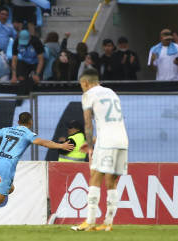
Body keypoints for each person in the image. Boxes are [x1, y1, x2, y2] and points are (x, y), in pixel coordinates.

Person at [0, 112, 74, 225]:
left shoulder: (8, 129)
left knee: (10, 188)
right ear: (31, 122)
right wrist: (61, 145)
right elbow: (42, 142)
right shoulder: (28, 134)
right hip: (7, 166)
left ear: (18, 122)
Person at [71, 68, 128, 231]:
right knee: (111, 182)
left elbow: (88, 124)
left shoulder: (88, 94)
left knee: (95, 177)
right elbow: (110, 123)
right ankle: (108, 223)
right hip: (122, 140)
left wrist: (90, 146)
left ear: (85, 83)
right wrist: (95, 139)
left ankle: (89, 221)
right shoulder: (111, 92)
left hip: (106, 141)